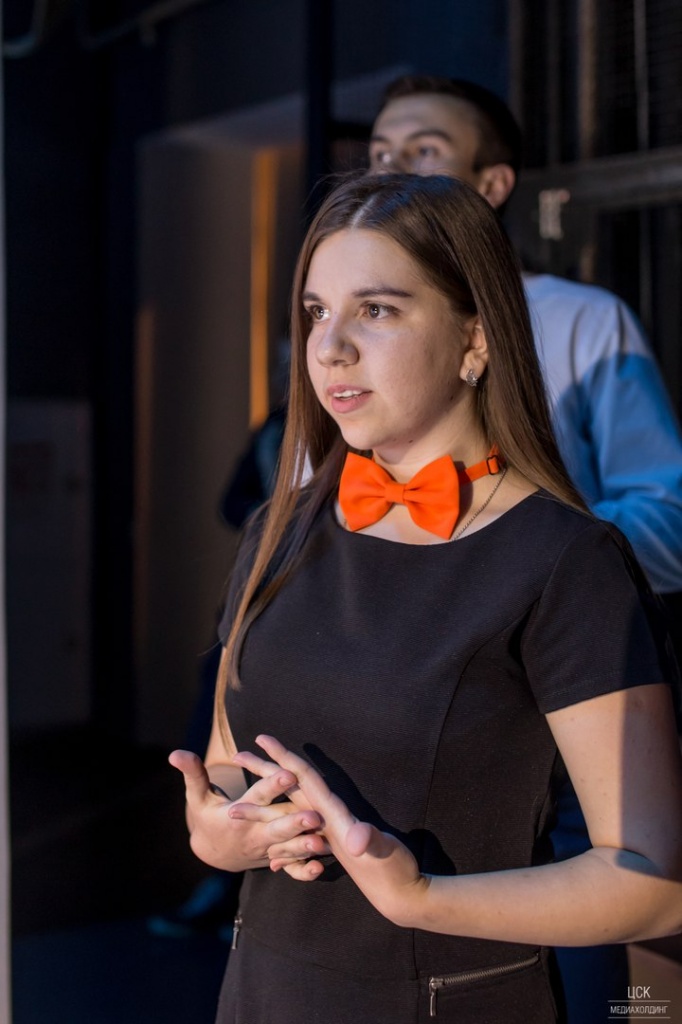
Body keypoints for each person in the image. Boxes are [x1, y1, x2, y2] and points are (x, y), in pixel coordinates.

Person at [169, 173, 682, 1024]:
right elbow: (230, 755)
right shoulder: (278, 528)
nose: (329, 348)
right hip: (264, 994)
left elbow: (655, 883)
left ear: (475, 339)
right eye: (316, 312)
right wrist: (220, 829)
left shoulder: (566, 561)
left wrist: (421, 897)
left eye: (376, 309)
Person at [367, 74, 682, 1022]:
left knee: (595, 948)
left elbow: (667, 514)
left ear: (493, 184)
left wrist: (520, 558)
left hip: (557, 698)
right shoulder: (355, 337)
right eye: (378, 153)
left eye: (422, 152)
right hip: (405, 700)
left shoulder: (585, 322)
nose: (389, 170)